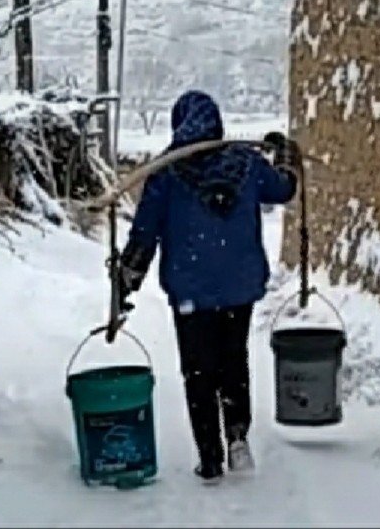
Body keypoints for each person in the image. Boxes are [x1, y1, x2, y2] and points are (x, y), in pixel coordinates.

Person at [116, 89, 301, 483]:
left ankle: (210, 456)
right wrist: (285, 154)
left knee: (198, 370)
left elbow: (145, 234)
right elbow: (284, 188)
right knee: (233, 359)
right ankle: (237, 437)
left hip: (191, 293)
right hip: (239, 286)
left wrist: (124, 281)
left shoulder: (166, 173)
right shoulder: (247, 164)